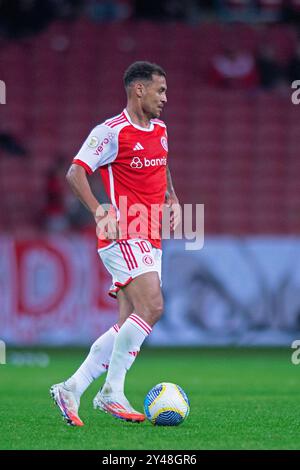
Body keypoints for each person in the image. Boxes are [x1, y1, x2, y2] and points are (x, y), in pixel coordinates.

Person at [50, 61, 180, 425]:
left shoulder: (161, 129)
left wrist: (171, 193)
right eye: (161, 90)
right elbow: (76, 172)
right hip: (123, 231)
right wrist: (98, 210)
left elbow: (163, 161)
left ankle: (72, 388)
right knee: (152, 306)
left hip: (152, 235)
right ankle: (111, 393)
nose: (165, 99)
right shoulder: (110, 132)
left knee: (128, 321)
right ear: (139, 90)